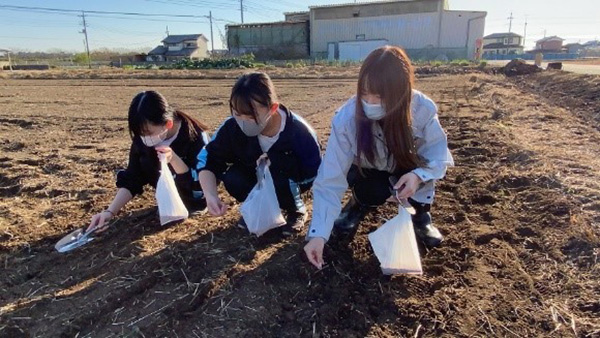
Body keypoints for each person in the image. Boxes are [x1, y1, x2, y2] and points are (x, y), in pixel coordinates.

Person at [304, 46, 454, 269]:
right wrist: (318, 234)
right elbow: (330, 178)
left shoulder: (421, 110)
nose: (371, 103)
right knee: (369, 189)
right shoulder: (346, 119)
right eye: (365, 94)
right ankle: (357, 204)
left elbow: (438, 156)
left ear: (400, 91)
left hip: (407, 170)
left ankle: (421, 216)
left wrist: (418, 176)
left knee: (419, 171)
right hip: (370, 171)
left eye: (380, 96)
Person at [197, 72, 322, 236]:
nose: (243, 120)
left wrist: (276, 162)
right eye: (237, 113)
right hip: (254, 177)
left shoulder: (299, 131)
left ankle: (295, 209)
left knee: (278, 172)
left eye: (251, 116)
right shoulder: (231, 128)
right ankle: (259, 207)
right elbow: (208, 160)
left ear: (273, 108)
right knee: (233, 178)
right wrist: (210, 195)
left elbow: (313, 172)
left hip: (291, 180)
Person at [87, 90, 209, 232]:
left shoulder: (195, 136)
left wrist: (174, 159)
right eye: (140, 134)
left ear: (168, 124)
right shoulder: (142, 140)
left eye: (148, 133)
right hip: (166, 203)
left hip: (194, 202)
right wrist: (109, 212)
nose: (144, 138)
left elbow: (202, 182)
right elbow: (133, 177)